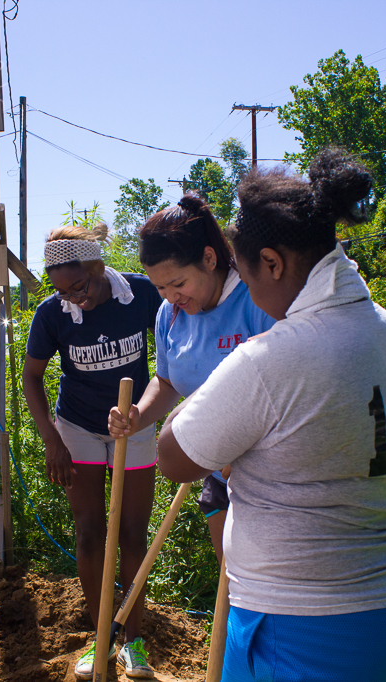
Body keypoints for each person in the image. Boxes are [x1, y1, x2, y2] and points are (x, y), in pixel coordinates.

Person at [156, 150, 386, 682]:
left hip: (304, 624)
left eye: (247, 276)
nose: (254, 297)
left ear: (271, 262)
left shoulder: (273, 359)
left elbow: (173, 458)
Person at [21, 225, 163, 680]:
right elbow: (31, 378)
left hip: (134, 420)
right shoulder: (52, 314)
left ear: (98, 266)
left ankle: (131, 640)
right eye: (62, 290)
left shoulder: (141, 295)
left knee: (133, 534)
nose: (73, 298)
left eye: (79, 286)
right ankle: (100, 635)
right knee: (88, 532)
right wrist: (52, 440)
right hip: (78, 427)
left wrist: (153, 409)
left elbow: (177, 347)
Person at [107, 194, 274, 566]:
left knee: (273, 590)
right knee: (234, 586)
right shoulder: (169, 315)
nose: (169, 297)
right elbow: (167, 382)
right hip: (216, 474)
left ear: (209, 259)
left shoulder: (258, 300)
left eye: (177, 283)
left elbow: (291, 387)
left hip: (270, 480)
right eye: (160, 288)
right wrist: (138, 415)